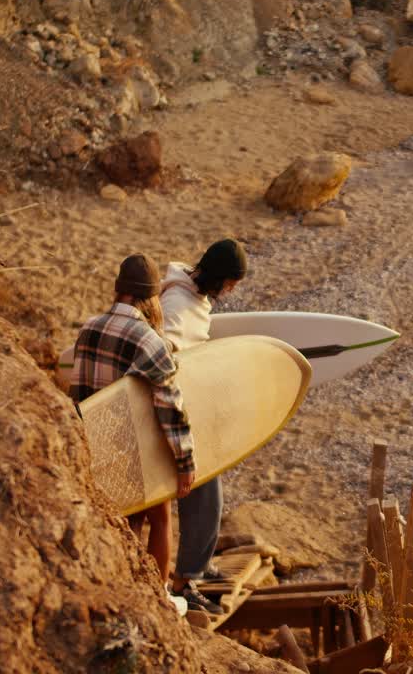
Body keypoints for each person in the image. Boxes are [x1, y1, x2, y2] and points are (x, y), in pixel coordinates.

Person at [69, 254, 194, 595]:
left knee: (127, 521)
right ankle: (157, 596)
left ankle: (123, 586)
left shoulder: (89, 328)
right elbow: (171, 409)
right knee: (161, 515)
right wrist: (185, 464)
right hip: (133, 450)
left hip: (93, 447)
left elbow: (77, 393)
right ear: (151, 297)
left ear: (118, 290)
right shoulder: (149, 342)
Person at [160, 239, 248, 614]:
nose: (231, 290)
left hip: (191, 412)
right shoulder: (177, 306)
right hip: (171, 416)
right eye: (231, 283)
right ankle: (184, 582)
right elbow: (163, 361)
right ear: (218, 277)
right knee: (205, 493)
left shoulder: (194, 297)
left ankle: (196, 566)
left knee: (211, 492)